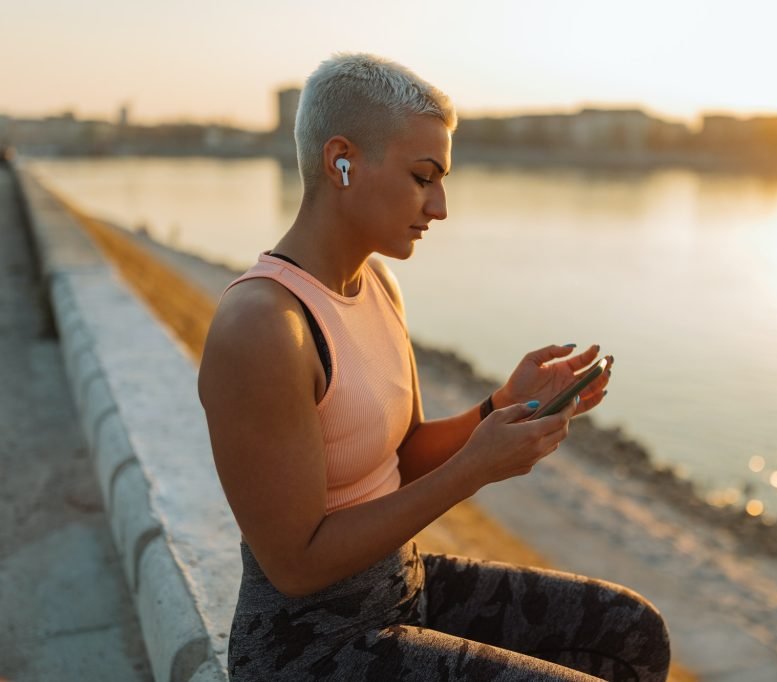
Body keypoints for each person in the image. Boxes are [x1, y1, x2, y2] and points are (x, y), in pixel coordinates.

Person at [198, 52, 671, 681]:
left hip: (401, 586)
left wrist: (499, 407)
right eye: (424, 177)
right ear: (343, 161)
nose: (440, 205)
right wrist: (475, 470)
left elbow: (406, 453)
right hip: (308, 651)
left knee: (632, 632)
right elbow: (296, 564)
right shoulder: (262, 326)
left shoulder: (377, 283)